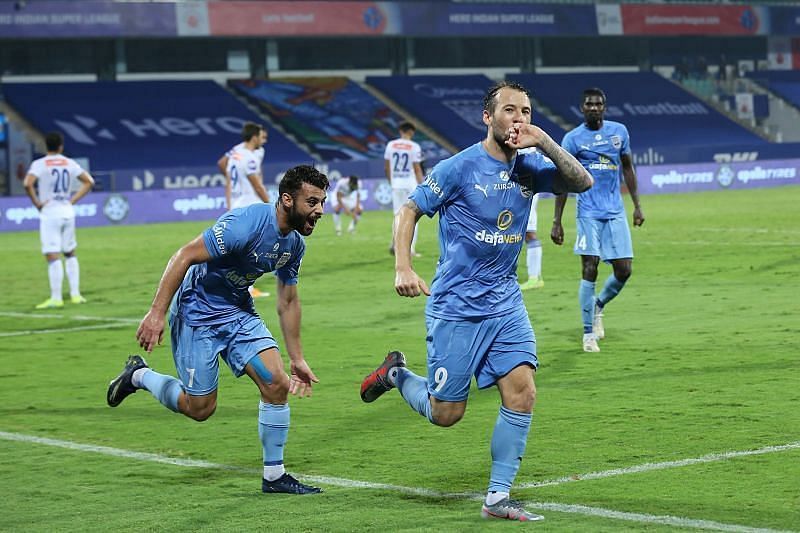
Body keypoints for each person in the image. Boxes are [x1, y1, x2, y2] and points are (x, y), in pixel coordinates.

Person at [360, 82, 593, 522]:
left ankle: (497, 498)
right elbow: (409, 210)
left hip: (506, 303)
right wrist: (403, 268)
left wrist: (543, 140)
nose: (518, 118)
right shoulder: (458, 167)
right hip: (457, 306)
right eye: (509, 110)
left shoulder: (529, 167)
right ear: (488, 117)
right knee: (446, 413)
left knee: (522, 393)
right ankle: (395, 373)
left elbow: (582, 181)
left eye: (525, 111)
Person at [107, 165, 329, 495]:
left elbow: (288, 300)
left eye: (323, 202)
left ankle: (274, 475)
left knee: (277, 384)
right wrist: (156, 313)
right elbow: (184, 256)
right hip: (197, 314)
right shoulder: (247, 224)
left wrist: (297, 358)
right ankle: (138, 375)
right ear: (286, 200)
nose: (320, 211)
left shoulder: (294, 245)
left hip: (238, 313)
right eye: (312, 202)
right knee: (200, 409)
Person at [551, 88, 644, 353]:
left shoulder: (619, 132)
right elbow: (564, 180)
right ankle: (588, 334)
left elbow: (627, 167)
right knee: (590, 266)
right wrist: (556, 220)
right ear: (582, 108)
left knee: (624, 270)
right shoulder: (573, 139)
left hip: (614, 211)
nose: (594, 108)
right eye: (589, 104)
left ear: (604, 107)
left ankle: (598, 305)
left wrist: (637, 206)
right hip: (588, 212)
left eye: (599, 104)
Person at [24, 131, 95, 309]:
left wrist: (37, 204)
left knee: (52, 255)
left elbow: (27, 183)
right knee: (70, 252)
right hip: (67, 211)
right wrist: (72, 200)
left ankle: (56, 298)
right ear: (61, 146)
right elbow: (89, 181)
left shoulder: (40, 164)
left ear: (46, 146)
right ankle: (76, 295)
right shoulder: (69, 162)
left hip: (50, 212)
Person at [217, 122, 271, 298]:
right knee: (251, 248)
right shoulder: (249, 157)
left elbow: (224, 164)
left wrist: (231, 194)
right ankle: (245, 288)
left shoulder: (236, 154)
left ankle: (229, 281)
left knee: (241, 247)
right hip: (249, 205)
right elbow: (257, 185)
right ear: (254, 136)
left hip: (238, 203)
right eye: (262, 136)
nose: (264, 140)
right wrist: (270, 205)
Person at [385, 121, 423, 256]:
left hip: (397, 184)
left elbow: (387, 167)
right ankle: (410, 249)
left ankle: (395, 244)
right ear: (411, 132)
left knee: (397, 215)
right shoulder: (414, 146)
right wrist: (422, 185)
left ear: (400, 131)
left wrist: (392, 182)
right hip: (410, 184)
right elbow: (417, 168)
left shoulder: (391, 145)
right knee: (413, 215)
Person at [519, 192, 544, 290]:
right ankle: (536, 277)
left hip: (524, 191)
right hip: (515, 191)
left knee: (529, 234)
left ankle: (534, 278)